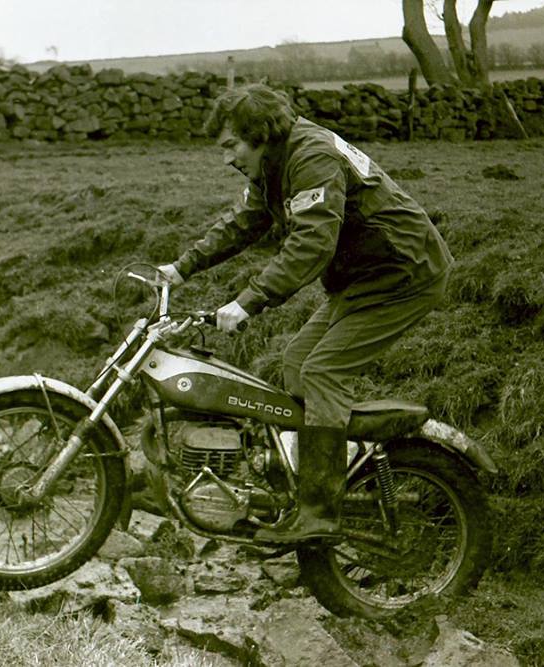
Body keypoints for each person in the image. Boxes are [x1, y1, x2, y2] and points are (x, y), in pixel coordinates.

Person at [158, 83, 453, 544]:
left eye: (231, 145)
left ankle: (320, 512)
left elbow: (312, 242)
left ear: (260, 134)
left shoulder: (309, 156)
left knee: (321, 372)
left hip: (404, 273)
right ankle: (322, 479)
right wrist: (182, 267)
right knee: (296, 364)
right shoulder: (275, 164)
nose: (226, 158)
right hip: (368, 276)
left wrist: (246, 302)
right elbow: (244, 222)